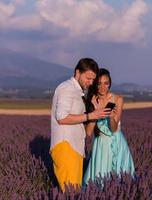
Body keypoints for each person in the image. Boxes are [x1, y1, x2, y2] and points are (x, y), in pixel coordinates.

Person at [50, 58, 111, 192]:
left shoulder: (77, 91)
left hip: (74, 147)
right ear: (77, 73)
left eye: (92, 80)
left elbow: (85, 129)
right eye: (88, 78)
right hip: (66, 145)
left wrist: (94, 114)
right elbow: (61, 117)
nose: (90, 83)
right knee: (70, 192)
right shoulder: (67, 88)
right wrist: (90, 116)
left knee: (75, 191)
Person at [83, 68, 135, 186]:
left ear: (110, 83)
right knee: (99, 181)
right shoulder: (92, 100)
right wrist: (95, 114)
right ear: (95, 84)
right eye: (99, 84)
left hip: (117, 143)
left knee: (122, 179)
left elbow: (114, 129)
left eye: (106, 83)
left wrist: (111, 117)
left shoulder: (117, 99)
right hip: (101, 145)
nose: (103, 87)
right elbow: (89, 133)